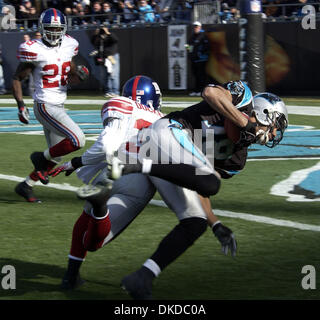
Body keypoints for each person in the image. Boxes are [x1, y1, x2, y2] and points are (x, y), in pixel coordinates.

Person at [49, 75, 237, 296]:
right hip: (141, 176)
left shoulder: (121, 105)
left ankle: (71, 275)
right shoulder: (166, 119)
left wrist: (76, 162)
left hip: (118, 166)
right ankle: (101, 210)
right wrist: (214, 222)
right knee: (94, 241)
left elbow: (109, 145)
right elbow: (192, 177)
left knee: (85, 221)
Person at [107, 84, 288, 299]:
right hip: (166, 132)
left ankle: (142, 277)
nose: (274, 133)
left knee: (195, 222)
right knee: (212, 182)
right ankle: (138, 166)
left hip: (166, 160)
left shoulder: (236, 159)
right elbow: (210, 93)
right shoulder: (243, 98)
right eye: (275, 125)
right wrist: (245, 124)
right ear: (263, 112)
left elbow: (198, 183)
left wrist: (216, 224)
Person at [13, 8, 90, 203]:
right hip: (45, 104)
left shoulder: (70, 45)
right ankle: (39, 157)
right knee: (78, 139)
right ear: (41, 28)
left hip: (58, 105)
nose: (54, 32)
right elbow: (17, 78)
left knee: (57, 156)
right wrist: (21, 105)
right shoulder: (34, 49)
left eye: (58, 28)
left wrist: (77, 74)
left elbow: (67, 70)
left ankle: (26, 185)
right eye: (50, 28)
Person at [90, 26, 120, 98]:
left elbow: (116, 40)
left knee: (114, 75)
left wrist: (107, 33)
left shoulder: (110, 35)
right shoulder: (99, 37)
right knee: (105, 76)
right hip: (104, 57)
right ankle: (108, 91)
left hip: (112, 56)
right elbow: (93, 42)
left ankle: (115, 91)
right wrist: (95, 34)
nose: (102, 31)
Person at [186, 21, 210, 97]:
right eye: (194, 27)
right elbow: (188, 46)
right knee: (196, 76)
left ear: (200, 27)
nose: (195, 28)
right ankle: (196, 90)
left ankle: (202, 90)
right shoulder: (192, 37)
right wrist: (189, 52)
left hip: (202, 60)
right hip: (194, 60)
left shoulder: (203, 36)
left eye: (196, 26)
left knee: (202, 76)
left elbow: (207, 47)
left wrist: (201, 54)